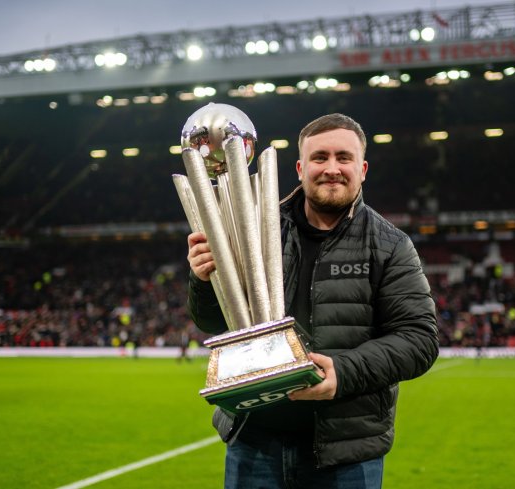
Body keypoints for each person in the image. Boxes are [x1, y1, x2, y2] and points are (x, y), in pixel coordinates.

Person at [186, 113, 439, 488]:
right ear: (301, 168)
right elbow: (213, 324)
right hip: (254, 442)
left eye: (344, 157)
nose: (331, 168)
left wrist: (343, 372)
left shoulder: (390, 246)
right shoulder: (252, 229)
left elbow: (420, 340)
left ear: (363, 168)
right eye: (320, 158)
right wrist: (204, 280)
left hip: (345, 453)